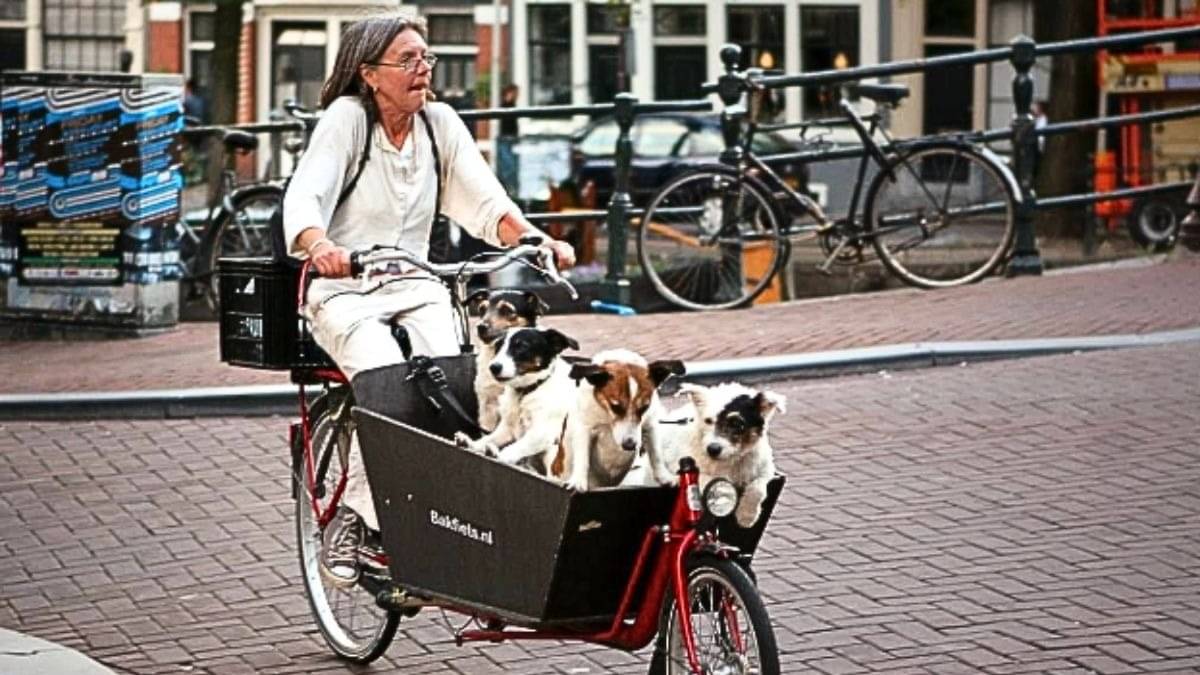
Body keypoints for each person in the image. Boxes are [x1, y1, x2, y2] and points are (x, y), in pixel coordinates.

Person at [282, 13, 575, 586]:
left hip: (416, 283)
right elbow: (306, 194)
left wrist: (535, 240)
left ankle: (447, 516)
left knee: (455, 384)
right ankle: (353, 521)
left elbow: (486, 202)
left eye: (427, 58)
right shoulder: (347, 120)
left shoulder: (439, 124)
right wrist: (320, 245)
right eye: (408, 60)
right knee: (386, 381)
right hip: (345, 289)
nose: (423, 69)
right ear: (369, 74)